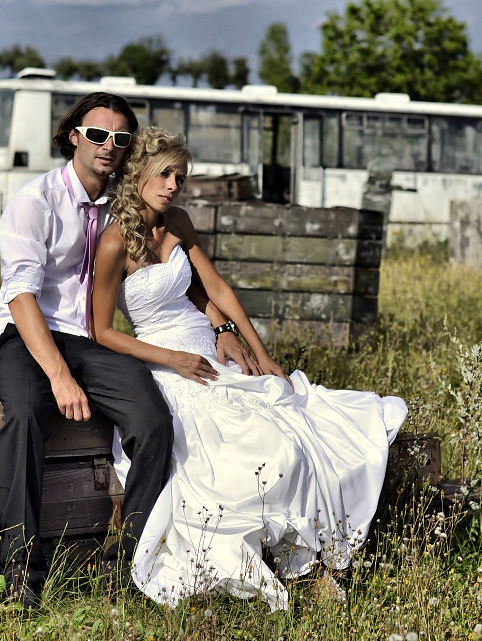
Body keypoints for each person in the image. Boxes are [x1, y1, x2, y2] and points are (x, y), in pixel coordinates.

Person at [91, 127, 407, 611]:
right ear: (138, 173)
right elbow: (102, 332)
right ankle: (284, 565)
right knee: (233, 458)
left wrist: (258, 352)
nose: (174, 185)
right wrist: (172, 360)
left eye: (181, 176)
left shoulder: (179, 222)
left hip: (207, 347)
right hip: (163, 362)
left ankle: (308, 561)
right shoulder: (113, 242)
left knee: (290, 433)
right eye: (165, 173)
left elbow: (217, 290)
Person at [0, 93, 249, 608]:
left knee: (153, 423)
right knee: (23, 415)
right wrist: (59, 376)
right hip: (30, 333)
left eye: (120, 138)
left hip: (92, 341)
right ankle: (19, 573)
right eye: (97, 134)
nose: (109, 145)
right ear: (73, 137)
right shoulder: (34, 202)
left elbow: (184, 276)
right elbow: (20, 296)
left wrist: (220, 327)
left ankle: (126, 559)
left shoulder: (123, 204)